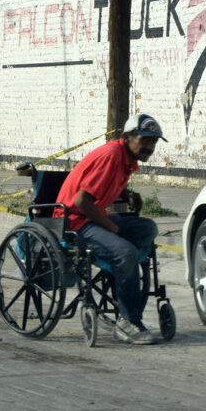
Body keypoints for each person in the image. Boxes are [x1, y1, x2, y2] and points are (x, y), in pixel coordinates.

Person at [54, 113, 167, 345]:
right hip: (75, 221)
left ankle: (119, 266)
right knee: (126, 252)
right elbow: (82, 202)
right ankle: (127, 322)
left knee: (148, 228)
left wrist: (127, 194)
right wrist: (112, 230)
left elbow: (105, 185)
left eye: (154, 141)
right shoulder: (111, 156)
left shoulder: (127, 159)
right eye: (145, 140)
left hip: (94, 218)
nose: (150, 146)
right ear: (127, 137)